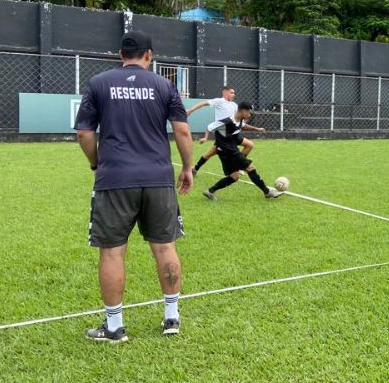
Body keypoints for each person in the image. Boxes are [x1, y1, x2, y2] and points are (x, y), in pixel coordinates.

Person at [75, 31, 193, 343]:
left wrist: (95, 162)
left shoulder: (99, 83)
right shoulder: (165, 85)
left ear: (120, 54)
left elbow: (84, 134)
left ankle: (114, 327)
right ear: (149, 56)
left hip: (115, 179)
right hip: (157, 177)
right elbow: (181, 130)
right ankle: (171, 318)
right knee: (165, 247)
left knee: (112, 252)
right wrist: (189, 167)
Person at [203, 102, 280, 200]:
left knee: (234, 176)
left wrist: (257, 129)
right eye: (249, 111)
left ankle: (210, 191)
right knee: (249, 168)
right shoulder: (227, 121)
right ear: (243, 111)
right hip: (229, 151)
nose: (250, 114)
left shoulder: (238, 121)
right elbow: (209, 127)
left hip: (226, 152)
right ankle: (267, 191)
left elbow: (243, 126)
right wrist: (205, 138)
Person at [185, 87, 265, 176]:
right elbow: (204, 103)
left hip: (233, 134)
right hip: (222, 133)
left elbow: (241, 124)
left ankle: (238, 165)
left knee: (249, 145)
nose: (233, 94)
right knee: (213, 152)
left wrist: (257, 129)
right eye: (231, 92)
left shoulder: (235, 106)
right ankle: (196, 168)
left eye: (234, 93)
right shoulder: (220, 101)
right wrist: (191, 110)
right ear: (225, 93)